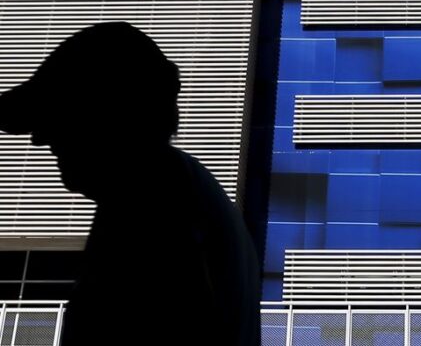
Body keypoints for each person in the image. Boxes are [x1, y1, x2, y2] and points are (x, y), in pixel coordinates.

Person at [0, 21, 261, 346]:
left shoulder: (148, 206)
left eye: (55, 115)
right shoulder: (183, 194)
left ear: (108, 114)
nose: (38, 139)